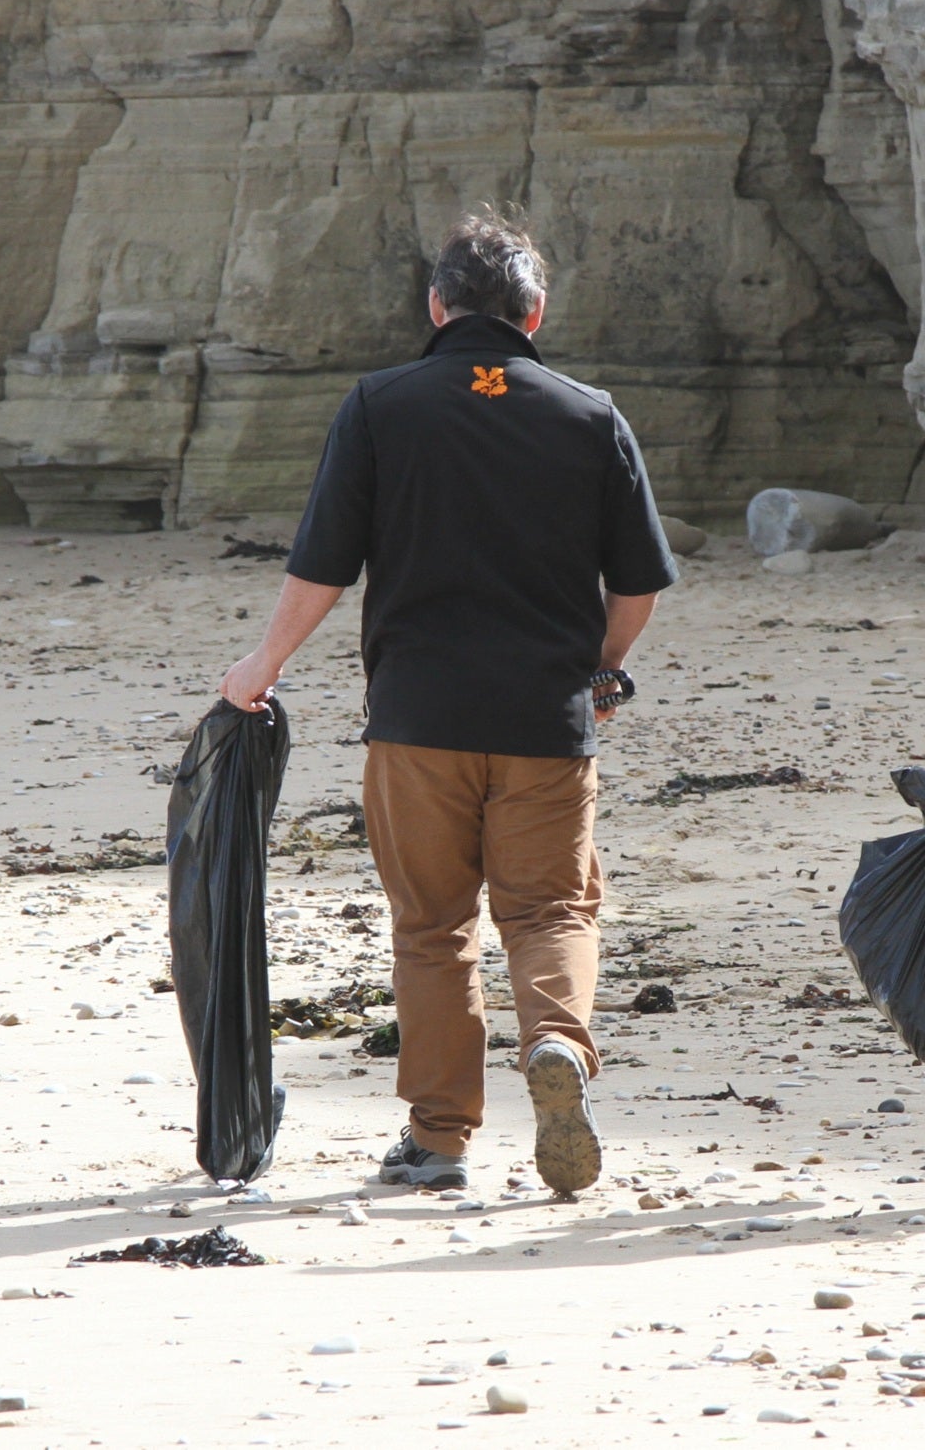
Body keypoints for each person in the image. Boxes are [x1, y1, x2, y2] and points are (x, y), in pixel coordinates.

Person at [216, 213, 678, 1196]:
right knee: (552, 906)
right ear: (535, 313)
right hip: (546, 723)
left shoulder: (382, 405)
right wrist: (603, 664)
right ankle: (556, 1043)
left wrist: (268, 660)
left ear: (435, 307)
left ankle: (438, 1140)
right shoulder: (590, 415)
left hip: (418, 721)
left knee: (433, 927)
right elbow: (637, 582)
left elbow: (324, 565)